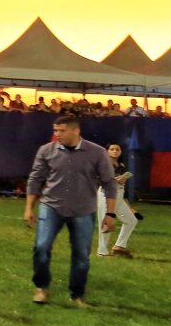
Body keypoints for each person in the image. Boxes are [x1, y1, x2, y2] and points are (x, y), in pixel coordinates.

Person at [24, 116, 117, 307]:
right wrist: (29, 208)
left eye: (62, 131)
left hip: (83, 210)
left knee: (81, 255)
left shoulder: (97, 153)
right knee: (41, 248)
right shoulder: (46, 151)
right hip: (51, 206)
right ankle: (41, 288)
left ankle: (77, 295)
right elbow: (35, 179)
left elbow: (109, 183)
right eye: (55, 130)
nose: (57, 134)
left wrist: (110, 214)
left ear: (76, 131)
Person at [97, 144, 139, 258]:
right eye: (112, 149)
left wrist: (128, 204)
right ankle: (102, 252)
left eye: (117, 149)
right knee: (106, 221)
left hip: (119, 195)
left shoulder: (121, 165)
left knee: (131, 220)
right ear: (107, 151)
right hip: (106, 194)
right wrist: (116, 180)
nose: (115, 151)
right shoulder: (104, 163)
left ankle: (119, 246)